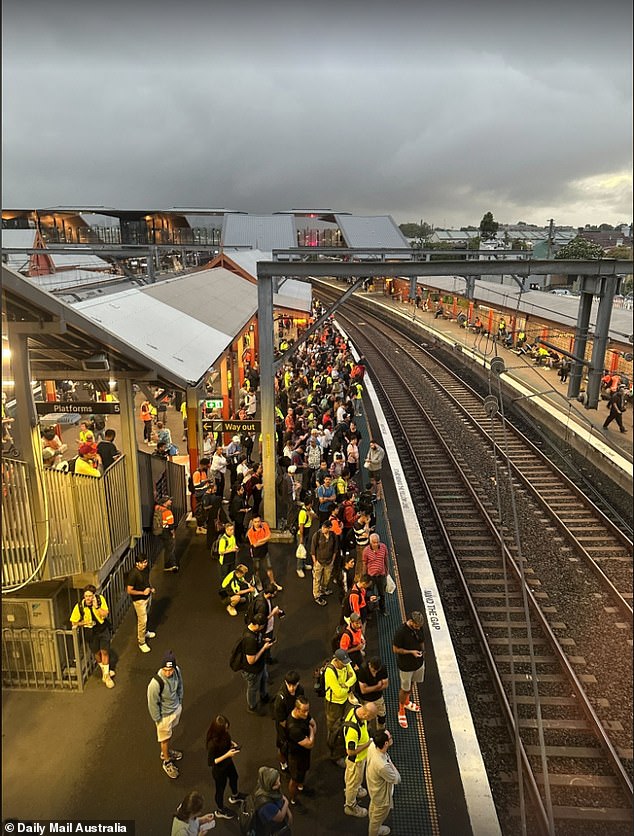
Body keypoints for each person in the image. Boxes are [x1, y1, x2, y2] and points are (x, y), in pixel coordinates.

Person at [147, 650, 184, 779]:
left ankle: (166, 752)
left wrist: (179, 701)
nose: (168, 673)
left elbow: (180, 687)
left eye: (170, 670)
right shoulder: (155, 684)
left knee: (168, 736)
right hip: (164, 717)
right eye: (165, 670)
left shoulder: (177, 671)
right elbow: (152, 704)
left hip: (175, 709)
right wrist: (158, 720)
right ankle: (166, 761)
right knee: (165, 739)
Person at [69, 585, 115, 689]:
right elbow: (73, 621)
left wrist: (97, 607)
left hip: (102, 629)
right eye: (86, 596)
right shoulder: (80, 606)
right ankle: (105, 671)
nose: (88, 598)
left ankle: (107, 677)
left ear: (94, 595)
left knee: (105, 651)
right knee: (96, 653)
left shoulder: (100, 600)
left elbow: (105, 614)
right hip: (90, 632)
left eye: (90, 596)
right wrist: (84, 622)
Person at [205, 714, 246, 820]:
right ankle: (220, 809)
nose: (227, 730)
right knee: (220, 790)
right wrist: (227, 755)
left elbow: (226, 741)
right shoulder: (212, 744)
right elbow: (211, 762)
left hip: (228, 763)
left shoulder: (224, 735)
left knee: (234, 777)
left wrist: (231, 744)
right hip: (219, 770)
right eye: (225, 729)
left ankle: (235, 796)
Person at [343, 702, 378, 817]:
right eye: (370, 718)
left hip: (360, 758)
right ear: (365, 715)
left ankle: (355, 788)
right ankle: (350, 806)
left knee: (354, 779)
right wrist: (368, 743)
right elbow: (350, 751)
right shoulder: (352, 730)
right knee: (352, 782)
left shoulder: (357, 709)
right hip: (356, 760)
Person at [323, 648, 357, 766]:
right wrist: (347, 687)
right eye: (343, 663)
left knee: (343, 726)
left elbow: (354, 677)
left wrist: (345, 684)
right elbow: (338, 692)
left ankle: (341, 748)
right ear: (336, 660)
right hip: (333, 705)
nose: (346, 665)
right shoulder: (330, 672)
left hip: (345, 701)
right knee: (334, 730)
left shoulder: (345, 664)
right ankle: (335, 755)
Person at [392, 611, 426, 729]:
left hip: (418, 663)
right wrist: (411, 652)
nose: (418, 628)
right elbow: (395, 649)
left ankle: (406, 702)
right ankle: (401, 709)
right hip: (406, 665)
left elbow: (421, 640)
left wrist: (422, 651)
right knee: (404, 688)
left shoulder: (419, 628)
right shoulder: (401, 632)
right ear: (411, 621)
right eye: (416, 626)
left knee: (412, 684)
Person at [366, 730, 401, 836]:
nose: (391, 738)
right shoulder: (382, 765)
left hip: (373, 788)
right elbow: (397, 779)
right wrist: (390, 762)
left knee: (373, 810)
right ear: (386, 743)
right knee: (377, 819)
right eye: (390, 737)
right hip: (381, 796)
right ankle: (374, 832)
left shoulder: (372, 746)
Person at [286, 695, 317, 805]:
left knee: (304, 773)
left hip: (304, 754)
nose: (306, 714)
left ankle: (301, 787)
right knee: (294, 780)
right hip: (296, 758)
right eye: (304, 711)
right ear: (296, 709)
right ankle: (293, 799)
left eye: (307, 710)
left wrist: (311, 732)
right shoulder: (293, 727)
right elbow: (310, 744)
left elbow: (314, 723)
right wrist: (311, 731)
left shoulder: (304, 715)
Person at [241, 613, 274, 714]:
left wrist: (264, 641)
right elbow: (251, 660)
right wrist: (264, 648)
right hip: (252, 670)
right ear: (258, 625)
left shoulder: (254, 631)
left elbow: (258, 641)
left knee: (264, 679)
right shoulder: (250, 639)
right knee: (253, 688)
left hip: (260, 665)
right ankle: (252, 706)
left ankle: (264, 696)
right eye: (263, 626)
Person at [273, 670, 304, 773]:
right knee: (282, 747)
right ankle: (283, 764)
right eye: (289, 685)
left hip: (295, 722)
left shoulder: (300, 690)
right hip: (284, 727)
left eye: (294, 685)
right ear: (285, 683)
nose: (292, 688)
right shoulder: (280, 698)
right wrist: (292, 730)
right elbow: (281, 720)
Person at [125, 554, 156, 653]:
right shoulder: (133, 574)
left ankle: (145, 632)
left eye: (145, 562)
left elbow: (146, 581)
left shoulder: (145, 569)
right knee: (142, 620)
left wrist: (150, 588)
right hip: (139, 601)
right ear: (137, 563)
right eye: (142, 563)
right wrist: (142, 593)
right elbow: (129, 590)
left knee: (146, 616)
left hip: (147, 597)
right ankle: (141, 642)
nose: (145, 565)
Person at [253, 767, 293, 834]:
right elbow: (280, 818)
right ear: (269, 785)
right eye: (276, 784)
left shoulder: (263, 786)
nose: (279, 784)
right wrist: (286, 802)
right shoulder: (267, 806)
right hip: (275, 829)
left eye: (279, 781)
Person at [247, 516, 282, 591]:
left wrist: (260, 541)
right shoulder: (250, 532)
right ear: (252, 522)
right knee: (257, 570)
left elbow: (269, 536)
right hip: (256, 554)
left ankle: (273, 583)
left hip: (265, 552)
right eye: (255, 522)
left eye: (258, 521)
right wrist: (264, 540)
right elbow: (255, 545)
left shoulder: (264, 525)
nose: (257, 523)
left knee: (269, 568)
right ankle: (258, 583)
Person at [357, 657, 389, 731]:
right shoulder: (363, 669)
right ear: (369, 665)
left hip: (377, 697)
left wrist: (370, 688)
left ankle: (381, 732)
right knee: (366, 718)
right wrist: (377, 686)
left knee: (382, 716)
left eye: (377, 671)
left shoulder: (383, 668)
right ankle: (367, 732)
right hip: (365, 698)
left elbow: (385, 685)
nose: (375, 674)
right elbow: (363, 690)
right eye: (374, 671)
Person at [310, 519, 338, 606]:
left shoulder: (333, 536)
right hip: (319, 562)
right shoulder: (317, 535)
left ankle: (323, 589)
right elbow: (313, 550)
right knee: (316, 579)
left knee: (327, 578)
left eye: (325, 528)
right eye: (323, 527)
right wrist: (315, 562)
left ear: (330, 528)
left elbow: (335, 550)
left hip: (329, 562)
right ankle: (317, 595)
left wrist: (332, 561)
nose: (323, 529)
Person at [362, 534, 389, 616]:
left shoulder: (383, 547)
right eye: (374, 542)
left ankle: (383, 609)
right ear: (370, 542)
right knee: (370, 594)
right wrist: (364, 576)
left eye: (377, 542)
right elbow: (364, 563)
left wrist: (387, 571)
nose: (376, 544)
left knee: (382, 594)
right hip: (371, 577)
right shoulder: (366, 550)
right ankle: (370, 612)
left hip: (381, 576)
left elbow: (386, 559)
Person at [155, 496, 178, 572]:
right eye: (169, 500)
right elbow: (171, 526)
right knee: (170, 547)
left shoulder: (157, 508)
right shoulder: (168, 512)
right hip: (166, 531)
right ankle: (170, 565)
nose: (171, 501)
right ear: (165, 502)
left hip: (160, 531)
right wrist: (173, 534)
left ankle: (168, 563)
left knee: (167, 547)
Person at [296, 496, 317, 578]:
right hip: (302, 534)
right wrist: (301, 538)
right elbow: (301, 526)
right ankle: (299, 568)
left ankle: (303, 564)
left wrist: (311, 514)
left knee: (304, 550)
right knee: (301, 551)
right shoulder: (302, 512)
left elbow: (315, 517)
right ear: (311, 503)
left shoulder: (309, 510)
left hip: (307, 533)